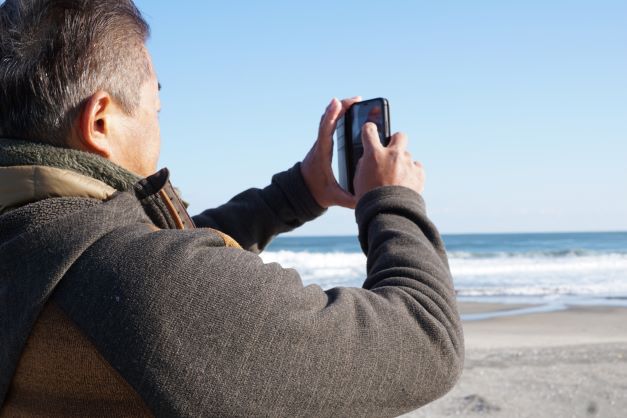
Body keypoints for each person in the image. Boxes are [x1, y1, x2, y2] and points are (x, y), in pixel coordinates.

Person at [0, 0, 464, 416]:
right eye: (154, 106)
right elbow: (425, 339)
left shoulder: (34, 242)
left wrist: (300, 191)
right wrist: (393, 200)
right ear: (99, 121)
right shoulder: (146, 289)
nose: (159, 120)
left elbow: (153, 248)